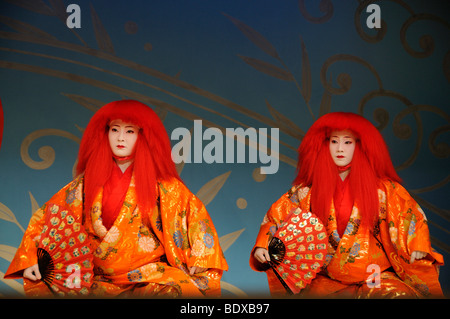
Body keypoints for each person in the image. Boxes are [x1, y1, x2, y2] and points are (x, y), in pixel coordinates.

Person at [5, 100, 228, 297]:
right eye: (114, 129)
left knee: (178, 289)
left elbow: (194, 215)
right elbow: (50, 218)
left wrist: (201, 257)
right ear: (105, 133)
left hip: (148, 274)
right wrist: (31, 258)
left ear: (143, 136)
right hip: (93, 275)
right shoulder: (85, 184)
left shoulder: (164, 185)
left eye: (130, 131)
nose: (120, 137)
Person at [250, 112, 444, 298]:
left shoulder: (384, 190)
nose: (340, 148)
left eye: (347, 142)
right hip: (325, 279)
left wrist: (417, 244)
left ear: (359, 145)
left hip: (375, 276)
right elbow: (277, 217)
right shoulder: (306, 192)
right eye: (334, 141)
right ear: (325, 144)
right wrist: (263, 245)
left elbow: (408, 215)